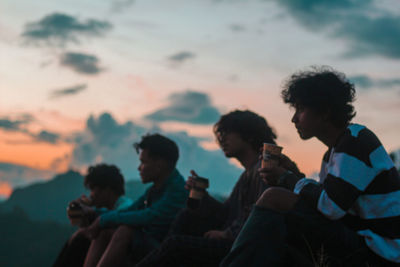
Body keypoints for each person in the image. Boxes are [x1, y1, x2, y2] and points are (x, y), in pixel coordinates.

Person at [221, 66, 400, 266]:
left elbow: (331, 208)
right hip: (363, 241)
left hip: (381, 252)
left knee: (274, 198)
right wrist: (293, 173)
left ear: (324, 112)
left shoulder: (355, 141)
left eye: (300, 109)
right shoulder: (334, 152)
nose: (294, 118)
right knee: (279, 221)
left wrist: (286, 177)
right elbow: (324, 203)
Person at [136, 110, 304, 266]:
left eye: (227, 133)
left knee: (175, 244)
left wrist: (226, 234)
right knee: (186, 216)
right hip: (233, 240)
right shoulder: (247, 174)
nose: (222, 139)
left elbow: (258, 218)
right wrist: (202, 195)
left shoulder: (264, 169)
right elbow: (226, 213)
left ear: (249, 135)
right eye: (220, 134)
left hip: (241, 247)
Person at [82, 134, 188, 267]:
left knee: (125, 231)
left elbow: (149, 216)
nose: (139, 168)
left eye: (143, 162)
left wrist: (103, 219)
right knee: (105, 232)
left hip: (168, 252)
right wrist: (95, 213)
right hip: (152, 245)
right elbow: (129, 211)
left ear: (159, 165)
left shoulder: (177, 190)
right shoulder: (154, 190)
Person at [53, 164, 133, 267]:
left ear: (107, 190)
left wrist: (91, 213)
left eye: (93, 189)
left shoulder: (126, 206)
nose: (91, 195)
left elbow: (115, 221)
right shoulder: (105, 209)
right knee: (77, 239)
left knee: (79, 241)